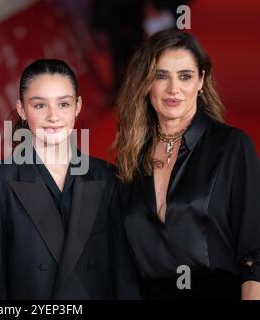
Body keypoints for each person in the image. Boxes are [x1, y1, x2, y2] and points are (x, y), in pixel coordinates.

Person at [113, 29, 260, 299]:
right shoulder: (131, 156)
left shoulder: (230, 146)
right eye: (161, 76)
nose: (173, 89)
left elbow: (254, 251)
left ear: (201, 80)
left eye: (185, 76)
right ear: (146, 84)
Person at [0, 59, 139, 299]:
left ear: (77, 106)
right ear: (22, 109)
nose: (53, 117)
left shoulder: (106, 178)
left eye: (63, 104)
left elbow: (124, 274)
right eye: (40, 106)